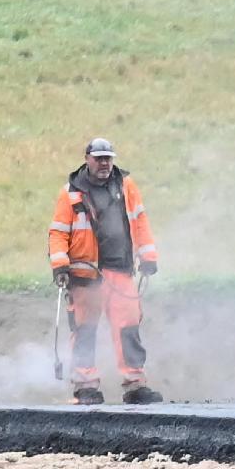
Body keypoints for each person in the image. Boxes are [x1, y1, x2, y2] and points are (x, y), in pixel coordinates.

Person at [49, 137, 161, 405]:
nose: (104, 163)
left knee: (128, 328)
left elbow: (140, 222)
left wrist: (148, 256)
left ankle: (135, 384)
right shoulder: (71, 193)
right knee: (85, 330)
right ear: (87, 159)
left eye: (108, 158)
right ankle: (85, 385)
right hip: (86, 276)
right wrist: (59, 266)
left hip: (120, 271)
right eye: (99, 158)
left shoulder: (127, 186)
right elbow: (58, 232)